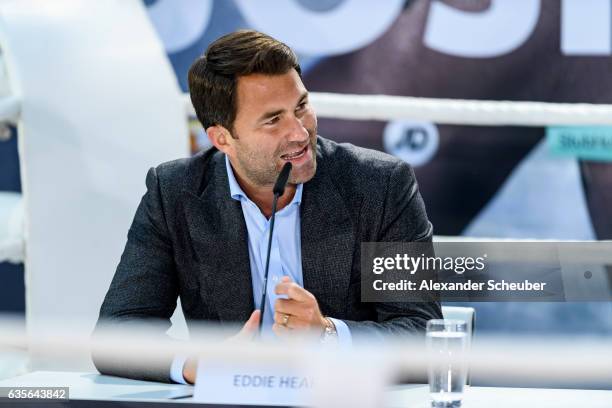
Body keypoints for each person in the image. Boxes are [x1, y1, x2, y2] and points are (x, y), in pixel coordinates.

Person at [92, 29, 441, 384]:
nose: (300, 133)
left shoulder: (379, 184)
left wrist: (328, 335)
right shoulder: (175, 193)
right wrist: (198, 364)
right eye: (273, 120)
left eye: (301, 107)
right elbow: (118, 332)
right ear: (222, 138)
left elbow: (421, 332)